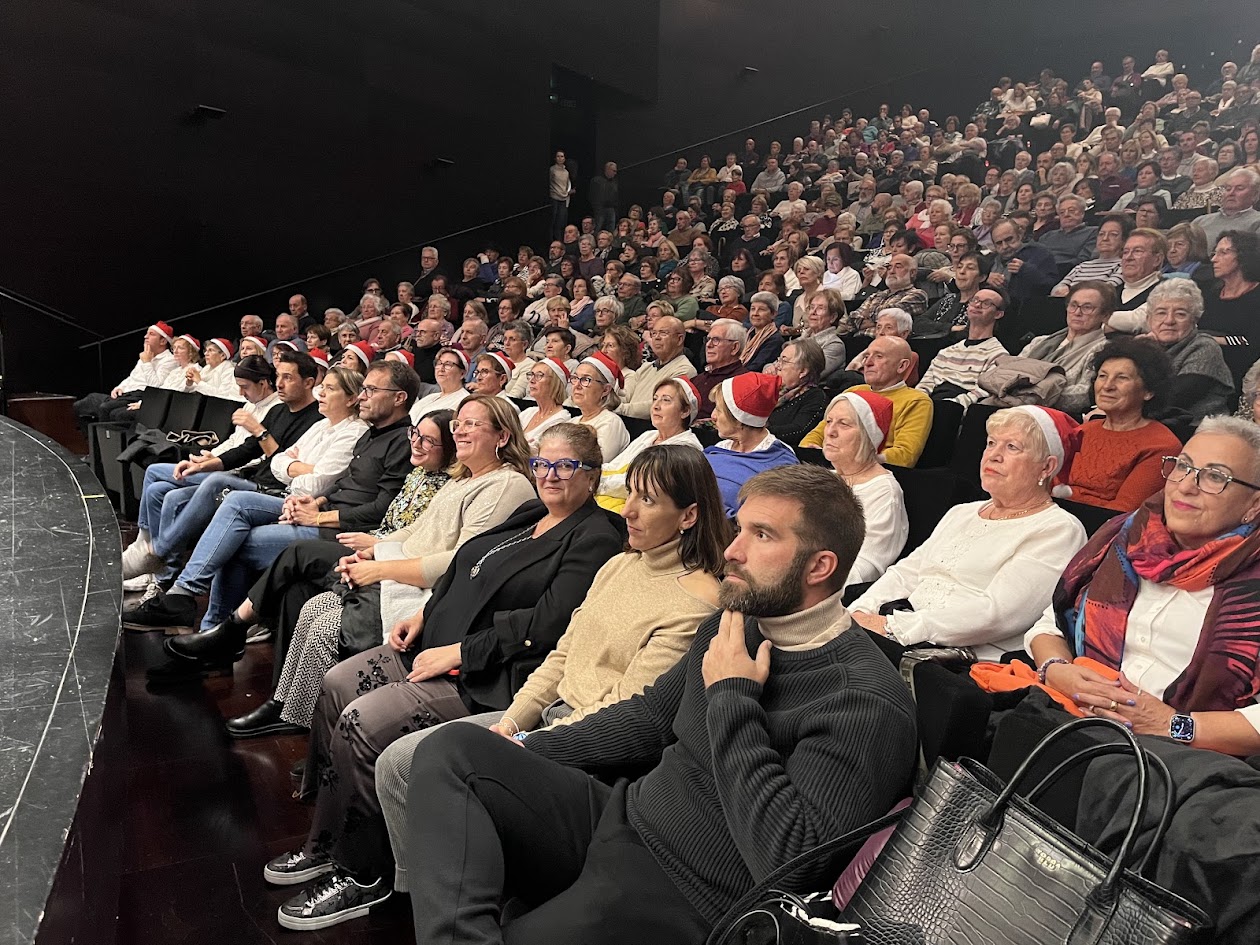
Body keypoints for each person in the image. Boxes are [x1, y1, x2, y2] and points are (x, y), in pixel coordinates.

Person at [403, 464, 916, 945]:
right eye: (740, 529)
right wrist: (530, 746)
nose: (733, 551)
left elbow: (789, 861)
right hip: (626, 817)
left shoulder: (865, 701)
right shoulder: (735, 624)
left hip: (687, 891)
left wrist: (731, 697)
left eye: (762, 535)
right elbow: (650, 718)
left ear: (820, 566)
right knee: (454, 751)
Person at [265, 425, 626, 931]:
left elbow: (545, 626)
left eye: (565, 466)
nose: (550, 474)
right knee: (337, 684)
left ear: (591, 475)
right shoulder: (531, 514)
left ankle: (365, 873)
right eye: (542, 463)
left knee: (361, 723)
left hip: (486, 673)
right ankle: (325, 842)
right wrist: (424, 614)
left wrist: (457, 651)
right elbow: (465, 568)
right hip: (435, 643)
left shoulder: (595, 537)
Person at [376, 445, 729, 900]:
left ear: (688, 516)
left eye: (648, 500)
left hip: (591, 751)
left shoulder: (696, 603)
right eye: (630, 494)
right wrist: (511, 721)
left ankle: (459, 906)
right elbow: (563, 656)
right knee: (397, 764)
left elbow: (626, 711)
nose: (629, 511)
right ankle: (423, 900)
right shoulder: (621, 564)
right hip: (544, 722)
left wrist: (528, 742)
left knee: (424, 770)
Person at [211, 396, 537, 730]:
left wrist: (379, 568)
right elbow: (415, 530)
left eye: (472, 424)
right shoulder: (463, 478)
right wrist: (374, 552)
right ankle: (288, 707)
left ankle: (312, 718)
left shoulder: (506, 485)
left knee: (324, 624)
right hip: (402, 573)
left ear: (502, 436)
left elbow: (462, 563)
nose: (460, 431)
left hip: (433, 596)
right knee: (309, 605)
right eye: (458, 424)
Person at [1025, 416, 1260, 758]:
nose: (1186, 486)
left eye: (1214, 477)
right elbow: (1050, 625)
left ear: (1254, 505)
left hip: (1179, 758)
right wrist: (1058, 670)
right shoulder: (1124, 536)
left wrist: (1174, 725)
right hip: (1075, 720)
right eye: (1183, 467)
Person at [128, 362, 416, 635]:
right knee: (190, 497)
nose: (364, 397)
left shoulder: (399, 441)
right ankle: (201, 617)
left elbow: (380, 508)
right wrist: (316, 502)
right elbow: (326, 478)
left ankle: (197, 609)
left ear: (399, 398)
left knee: (234, 514)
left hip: (343, 531)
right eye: (363, 389)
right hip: (311, 506)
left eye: (371, 390)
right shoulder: (370, 435)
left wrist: (318, 515)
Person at [851, 406, 1088, 660]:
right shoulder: (962, 512)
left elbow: (997, 614)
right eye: (991, 443)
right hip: (898, 633)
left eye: (1012, 447)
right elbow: (905, 573)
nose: (994, 455)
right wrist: (859, 612)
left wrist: (893, 627)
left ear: (1046, 467)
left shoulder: (1059, 529)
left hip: (956, 661)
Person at [119, 350, 324, 587]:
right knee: (167, 494)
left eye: (288, 377)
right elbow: (246, 450)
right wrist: (202, 465)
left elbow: (282, 466)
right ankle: (161, 574)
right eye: (278, 375)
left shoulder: (316, 420)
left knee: (216, 483)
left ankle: (155, 553)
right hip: (254, 478)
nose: (279, 383)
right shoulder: (279, 410)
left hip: (276, 490)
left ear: (309, 382)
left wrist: (259, 431)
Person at [1059, 337, 1181, 511]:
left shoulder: (1162, 446)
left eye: (1121, 378)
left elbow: (1122, 512)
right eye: (1102, 376)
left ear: (1148, 391)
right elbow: (1046, 486)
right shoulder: (1082, 431)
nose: (1107, 386)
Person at [799, 335, 933, 467]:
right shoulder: (853, 391)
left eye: (879, 356)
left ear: (902, 366)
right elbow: (818, 433)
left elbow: (906, 455)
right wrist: (811, 451)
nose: (867, 363)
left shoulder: (916, 401)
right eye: (866, 356)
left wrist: (852, 459)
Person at [820, 391, 908, 591]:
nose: (830, 432)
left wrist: (805, 585)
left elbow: (867, 567)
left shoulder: (884, 492)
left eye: (844, 424)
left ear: (868, 436)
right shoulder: (826, 478)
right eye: (829, 422)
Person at [596, 379, 703, 513]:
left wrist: (594, 482)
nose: (656, 406)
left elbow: (638, 487)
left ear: (685, 411)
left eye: (666, 400)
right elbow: (615, 466)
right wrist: (590, 473)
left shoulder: (686, 449)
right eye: (655, 399)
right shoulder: (649, 435)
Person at [704, 373, 799, 517]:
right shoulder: (719, 449)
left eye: (718, 409)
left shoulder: (780, 465)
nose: (713, 416)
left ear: (739, 418)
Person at [1144, 279, 1234, 423]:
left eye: (1180, 314)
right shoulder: (1144, 348)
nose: (1169, 321)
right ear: (1149, 319)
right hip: (1149, 424)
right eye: (1161, 313)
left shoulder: (1205, 347)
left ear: (1194, 320)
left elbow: (1172, 399)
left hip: (1197, 429)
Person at [1019, 281, 1113, 415]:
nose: (1077, 312)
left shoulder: (1103, 348)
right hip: (1016, 407)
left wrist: (1034, 395)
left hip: (1057, 415)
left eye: (1087, 307)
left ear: (1105, 315)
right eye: (1073, 305)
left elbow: (1086, 393)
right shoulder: (1039, 341)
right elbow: (1011, 372)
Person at [916, 287, 1009, 409]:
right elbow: (924, 386)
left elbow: (983, 393)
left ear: (998, 314)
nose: (977, 305)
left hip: (957, 410)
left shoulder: (999, 355)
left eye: (986, 303)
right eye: (975, 300)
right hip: (927, 407)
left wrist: (947, 406)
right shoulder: (946, 352)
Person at [74, 320, 178, 426]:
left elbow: (156, 387)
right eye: (146, 333)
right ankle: (87, 435)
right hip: (127, 394)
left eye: (151, 334)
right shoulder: (145, 355)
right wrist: (120, 387)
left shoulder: (169, 360)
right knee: (86, 402)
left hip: (139, 395)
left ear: (163, 341)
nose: (146, 337)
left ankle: (104, 436)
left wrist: (147, 362)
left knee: (105, 407)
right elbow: (132, 377)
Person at [1199, 231, 1260, 385]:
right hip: (1206, 367)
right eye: (1214, 253)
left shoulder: (1257, 296)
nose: (1213, 259)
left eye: (1223, 253)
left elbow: (1249, 341)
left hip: (1243, 372)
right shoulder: (1210, 294)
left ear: (1244, 256)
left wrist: (1209, 340)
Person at [616, 316, 697, 419]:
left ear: (679, 339)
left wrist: (621, 409)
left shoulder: (685, 370)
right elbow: (626, 396)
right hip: (628, 420)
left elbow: (662, 405)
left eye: (663, 333)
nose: (657, 337)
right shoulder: (646, 367)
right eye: (653, 333)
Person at [766, 339, 829, 448]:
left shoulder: (815, 397)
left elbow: (799, 430)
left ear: (803, 371)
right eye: (778, 360)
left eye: (784, 361)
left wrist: (758, 432)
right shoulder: (774, 390)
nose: (777, 366)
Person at [570, 352, 631, 460]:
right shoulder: (572, 422)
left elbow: (598, 463)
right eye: (575, 378)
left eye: (586, 379)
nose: (577, 385)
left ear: (605, 390)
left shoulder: (610, 422)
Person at [986, 220, 1059, 301]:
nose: (1004, 246)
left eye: (1009, 239)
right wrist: (986, 278)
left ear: (1019, 235)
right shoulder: (990, 260)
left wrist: (1025, 270)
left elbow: (1050, 285)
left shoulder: (1039, 253)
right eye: (999, 243)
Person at [690, 319, 748, 420]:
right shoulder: (697, 380)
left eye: (716, 340)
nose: (708, 345)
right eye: (708, 339)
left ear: (734, 347)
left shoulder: (742, 382)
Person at [517, 358, 573, 451]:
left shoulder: (561, 418)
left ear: (554, 382)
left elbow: (537, 451)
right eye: (531, 375)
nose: (532, 380)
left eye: (539, 375)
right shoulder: (528, 412)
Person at [1194, 168, 1260, 246]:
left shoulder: (1257, 222)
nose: (1231, 193)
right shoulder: (1200, 221)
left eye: (1239, 189)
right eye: (1228, 189)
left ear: (1255, 194)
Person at [799, 287, 848, 383]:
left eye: (820, 308)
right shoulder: (803, 337)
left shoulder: (834, 345)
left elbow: (810, 374)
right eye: (811, 307)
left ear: (833, 317)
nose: (813, 312)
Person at [410, 347, 469, 421]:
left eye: (448, 364)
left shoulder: (464, 401)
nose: (441, 369)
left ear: (462, 374)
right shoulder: (430, 397)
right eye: (439, 363)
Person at [739, 291, 785, 372]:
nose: (755, 313)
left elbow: (756, 367)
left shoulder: (774, 340)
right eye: (753, 309)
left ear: (773, 314)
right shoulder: (747, 334)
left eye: (761, 310)